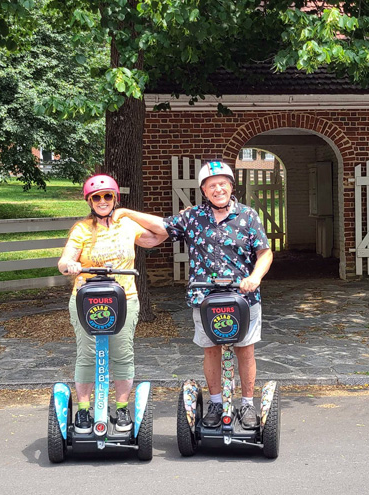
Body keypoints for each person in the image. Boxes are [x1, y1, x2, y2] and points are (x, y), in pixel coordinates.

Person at [116, 161, 273, 430]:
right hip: (205, 298)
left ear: (232, 186)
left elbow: (265, 253)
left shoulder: (249, 216)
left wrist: (255, 278)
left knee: (245, 350)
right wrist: (124, 213)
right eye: (212, 185)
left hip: (244, 298)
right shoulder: (193, 217)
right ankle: (215, 403)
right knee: (210, 350)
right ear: (203, 190)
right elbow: (161, 227)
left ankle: (247, 403)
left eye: (223, 183)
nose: (218, 189)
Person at [56, 174, 166, 434]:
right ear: (90, 201)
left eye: (108, 196)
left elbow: (161, 232)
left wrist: (128, 212)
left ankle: (121, 408)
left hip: (124, 298)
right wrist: (70, 265)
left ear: (115, 199)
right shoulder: (82, 229)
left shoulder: (127, 225)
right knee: (87, 354)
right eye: (97, 197)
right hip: (87, 299)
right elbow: (63, 262)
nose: (102, 201)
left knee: (122, 354)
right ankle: (84, 410)